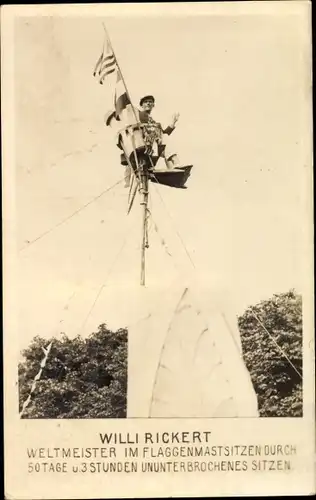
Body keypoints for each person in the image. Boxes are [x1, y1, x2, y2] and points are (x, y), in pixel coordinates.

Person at [137, 95, 181, 170]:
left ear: (153, 105)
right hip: (146, 146)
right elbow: (147, 129)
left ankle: (173, 168)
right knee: (166, 142)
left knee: (166, 147)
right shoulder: (140, 115)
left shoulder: (151, 120)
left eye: (150, 102)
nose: (148, 103)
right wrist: (157, 136)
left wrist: (173, 123)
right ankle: (175, 163)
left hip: (154, 146)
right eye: (145, 102)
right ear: (142, 105)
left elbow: (163, 133)